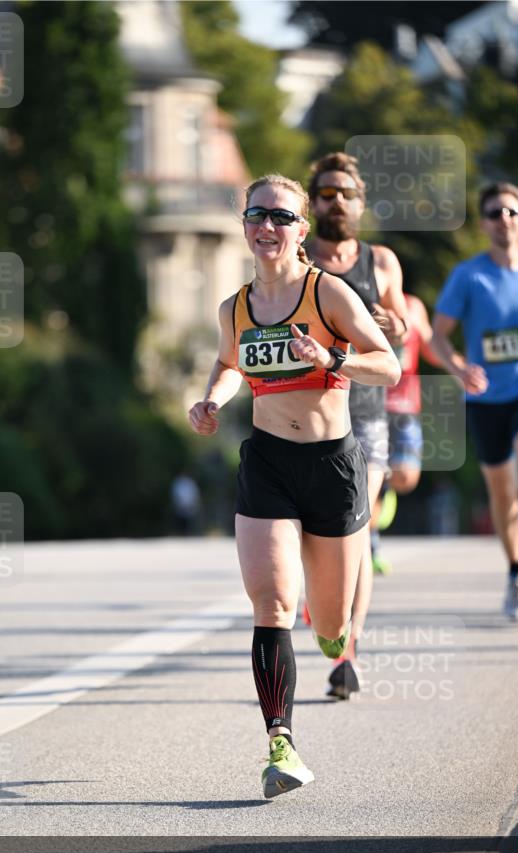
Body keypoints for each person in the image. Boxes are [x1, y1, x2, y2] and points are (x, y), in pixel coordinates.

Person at [189, 174, 400, 798]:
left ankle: (336, 637)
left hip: (332, 467)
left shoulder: (327, 293)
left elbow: (386, 364)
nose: (268, 227)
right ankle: (281, 743)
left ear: (301, 230)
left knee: (330, 623)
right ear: (246, 225)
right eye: (257, 215)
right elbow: (230, 362)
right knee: (273, 602)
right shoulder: (235, 307)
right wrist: (210, 401)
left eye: (281, 217)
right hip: (268, 465)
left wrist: (331, 359)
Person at [304, 152, 408, 696]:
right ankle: (325, 606)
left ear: (360, 202)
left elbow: (403, 329)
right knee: (312, 536)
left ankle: (349, 648)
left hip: (365, 418)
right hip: (306, 417)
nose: (336, 201)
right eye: (325, 193)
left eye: (345, 193)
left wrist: (395, 323)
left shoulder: (381, 261)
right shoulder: (296, 259)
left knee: (357, 530)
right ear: (313, 202)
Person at [431, 182, 518, 619]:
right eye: (494, 213)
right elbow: (437, 337)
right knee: (502, 492)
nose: (503, 219)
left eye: (510, 212)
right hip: (485, 397)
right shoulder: (468, 276)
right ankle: (514, 568)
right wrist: (459, 369)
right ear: (483, 224)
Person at [374, 292, 445, 571]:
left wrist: (458, 363)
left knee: (406, 476)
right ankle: (371, 548)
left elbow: (431, 347)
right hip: (369, 404)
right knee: (369, 480)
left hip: (405, 406)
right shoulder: (358, 300)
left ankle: (386, 485)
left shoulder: (414, 307)